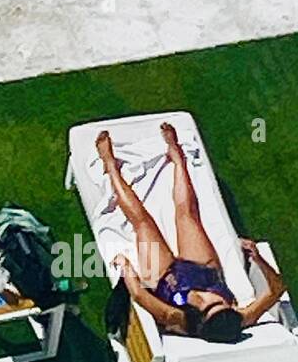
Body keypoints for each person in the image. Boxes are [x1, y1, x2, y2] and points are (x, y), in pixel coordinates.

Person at [97, 122, 285, 344]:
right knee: (187, 213)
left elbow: (139, 294)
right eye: (220, 303)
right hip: (205, 272)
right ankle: (177, 157)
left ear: (203, 320)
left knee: (142, 222)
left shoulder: (181, 318)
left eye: (208, 308)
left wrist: (127, 267)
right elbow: (277, 289)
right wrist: (258, 258)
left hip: (166, 280)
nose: (209, 301)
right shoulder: (240, 319)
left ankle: (109, 164)